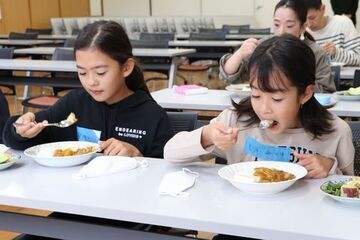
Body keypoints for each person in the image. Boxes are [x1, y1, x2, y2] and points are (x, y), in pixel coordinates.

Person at [165, 35, 354, 179]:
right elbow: (170, 154)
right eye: (256, 95)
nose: (264, 109)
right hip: (243, 223)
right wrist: (206, 136)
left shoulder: (336, 132)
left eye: (277, 99)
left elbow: (349, 188)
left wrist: (330, 167)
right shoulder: (236, 121)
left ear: (305, 93)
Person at [3, 21, 173, 158]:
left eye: (100, 72)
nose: (91, 82)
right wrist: (21, 131)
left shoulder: (151, 115)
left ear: (126, 68)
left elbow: (168, 170)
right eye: (82, 72)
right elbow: (15, 140)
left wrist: (138, 155)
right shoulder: (74, 103)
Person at [219, 0, 335, 93]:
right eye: (276, 24)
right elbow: (229, 77)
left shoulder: (315, 52)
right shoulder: (264, 47)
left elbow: (327, 90)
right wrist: (240, 53)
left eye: (289, 25)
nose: (281, 31)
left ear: (303, 27)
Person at [304, 0, 360, 66]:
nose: (309, 24)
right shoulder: (301, 31)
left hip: (343, 75)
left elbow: (358, 57)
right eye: (303, 19)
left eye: (312, 18)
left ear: (323, 9)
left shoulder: (343, 23)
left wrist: (336, 53)